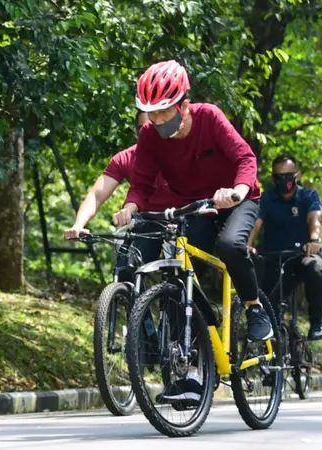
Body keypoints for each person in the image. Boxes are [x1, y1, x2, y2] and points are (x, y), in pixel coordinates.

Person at [113, 60, 267, 404]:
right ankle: (194, 374)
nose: (154, 121)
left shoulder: (210, 118)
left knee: (230, 245)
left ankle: (255, 307)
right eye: (149, 113)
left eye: (163, 113)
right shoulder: (150, 136)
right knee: (184, 280)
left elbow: (245, 158)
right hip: (195, 205)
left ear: (183, 105)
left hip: (238, 197)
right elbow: (142, 181)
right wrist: (131, 206)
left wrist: (238, 191)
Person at [65, 111, 179, 267]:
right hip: (147, 221)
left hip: (183, 217)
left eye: (155, 126)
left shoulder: (180, 150)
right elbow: (96, 195)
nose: (151, 131)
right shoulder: (125, 158)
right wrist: (78, 225)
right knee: (126, 266)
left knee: (184, 274)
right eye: (142, 128)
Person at [247, 154, 322, 340]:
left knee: (315, 268)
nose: (284, 180)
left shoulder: (308, 196)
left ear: (297, 175)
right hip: (276, 259)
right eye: (279, 176)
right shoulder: (266, 199)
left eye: (288, 175)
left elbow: (314, 219)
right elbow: (255, 224)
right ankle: (273, 349)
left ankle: (316, 323)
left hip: (303, 254)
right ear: (274, 177)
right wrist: (247, 246)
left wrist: (314, 240)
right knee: (269, 304)